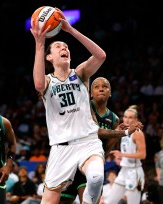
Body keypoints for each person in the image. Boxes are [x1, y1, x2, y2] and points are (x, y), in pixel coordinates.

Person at [31, 7, 107, 204]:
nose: (64, 48)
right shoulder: (48, 81)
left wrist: (71, 30)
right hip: (61, 148)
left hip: (87, 142)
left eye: (66, 46)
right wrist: (40, 44)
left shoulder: (80, 73)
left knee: (96, 176)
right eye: (58, 46)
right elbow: (38, 85)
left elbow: (100, 56)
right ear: (49, 57)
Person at [60, 77, 142, 204]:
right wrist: (122, 132)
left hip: (91, 166)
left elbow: (105, 151)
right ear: (91, 93)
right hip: (71, 163)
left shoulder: (114, 119)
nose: (101, 89)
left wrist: (116, 136)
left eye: (105, 87)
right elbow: (95, 131)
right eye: (97, 87)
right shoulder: (83, 106)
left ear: (110, 93)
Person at [105, 105, 146, 204]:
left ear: (135, 119)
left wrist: (122, 155)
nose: (127, 120)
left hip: (134, 172)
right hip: (124, 170)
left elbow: (143, 155)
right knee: (110, 201)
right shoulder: (124, 131)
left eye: (130, 117)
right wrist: (121, 158)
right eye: (125, 117)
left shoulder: (138, 133)